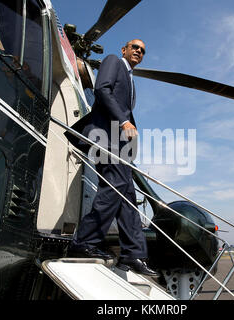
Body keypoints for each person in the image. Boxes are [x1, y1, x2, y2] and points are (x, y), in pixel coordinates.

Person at [66, 39, 158, 277]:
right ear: (124, 49)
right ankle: (84, 241)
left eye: (143, 50)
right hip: (105, 138)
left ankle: (133, 255)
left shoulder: (131, 80)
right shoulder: (113, 61)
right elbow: (102, 89)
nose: (139, 51)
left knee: (127, 196)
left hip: (121, 145)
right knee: (115, 188)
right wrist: (124, 121)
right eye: (135, 47)